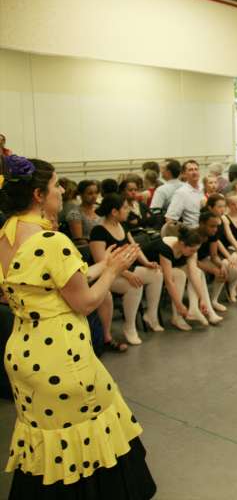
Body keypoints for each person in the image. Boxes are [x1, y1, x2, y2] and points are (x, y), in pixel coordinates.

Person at [0, 155, 156, 498]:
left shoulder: (6, 237)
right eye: (56, 184)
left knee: (47, 440)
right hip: (62, 358)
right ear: (39, 195)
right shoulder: (51, 241)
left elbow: (49, 284)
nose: (60, 191)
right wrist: (114, 272)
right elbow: (84, 302)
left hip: (24, 354)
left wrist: (105, 266)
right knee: (88, 432)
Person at [89, 194, 164, 344]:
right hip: (105, 275)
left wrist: (147, 263)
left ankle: (151, 315)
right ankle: (129, 327)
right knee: (134, 285)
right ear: (114, 212)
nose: (128, 210)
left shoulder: (123, 226)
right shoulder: (98, 231)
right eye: (124, 207)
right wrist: (128, 274)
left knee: (156, 273)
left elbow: (134, 248)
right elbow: (101, 262)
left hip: (123, 270)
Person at [143, 225, 217, 330]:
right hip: (147, 267)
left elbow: (193, 273)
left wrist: (202, 299)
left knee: (198, 272)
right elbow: (168, 281)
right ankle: (176, 316)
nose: (194, 253)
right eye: (192, 250)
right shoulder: (165, 248)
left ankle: (195, 307)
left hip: (163, 267)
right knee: (179, 275)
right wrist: (179, 305)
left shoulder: (190, 248)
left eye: (196, 250)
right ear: (182, 244)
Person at [204, 194, 237, 302]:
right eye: (219, 207)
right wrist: (228, 256)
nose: (222, 209)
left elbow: (228, 236)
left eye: (223, 206)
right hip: (210, 251)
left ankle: (234, 286)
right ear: (210, 208)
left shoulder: (221, 218)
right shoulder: (209, 220)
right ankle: (220, 294)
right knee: (232, 265)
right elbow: (216, 242)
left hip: (222, 248)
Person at [165, 160, 203, 227]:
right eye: (190, 170)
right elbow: (170, 219)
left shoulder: (204, 188)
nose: (194, 172)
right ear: (184, 174)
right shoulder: (181, 193)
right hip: (194, 232)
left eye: (196, 169)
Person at [66, 180, 102, 244]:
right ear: (81, 194)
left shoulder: (100, 208)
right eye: (90, 193)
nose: (94, 196)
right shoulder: (75, 214)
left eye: (96, 193)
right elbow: (79, 241)